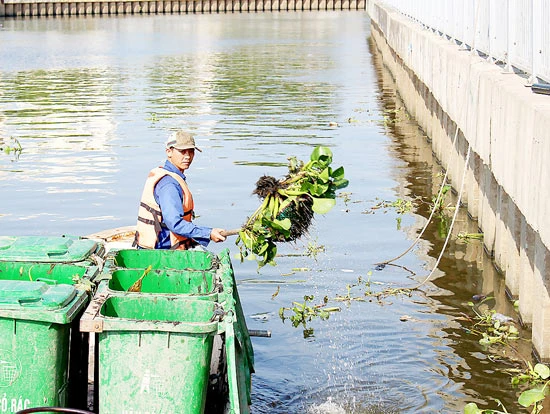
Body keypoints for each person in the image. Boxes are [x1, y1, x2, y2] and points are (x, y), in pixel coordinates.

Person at [134, 130, 226, 249]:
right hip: (161, 252)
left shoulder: (173, 177)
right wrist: (208, 233)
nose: (187, 156)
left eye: (191, 151)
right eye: (182, 151)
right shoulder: (169, 185)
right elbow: (175, 223)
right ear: (169, 152)